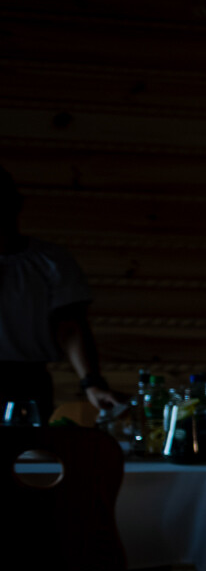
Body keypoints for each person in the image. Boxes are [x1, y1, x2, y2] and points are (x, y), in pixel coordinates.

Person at [1, 167, 120, 422]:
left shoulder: (49, 261)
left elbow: (70, 327)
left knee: (29, 445)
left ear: (14, 206)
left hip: (25, 382)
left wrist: (92, 383)